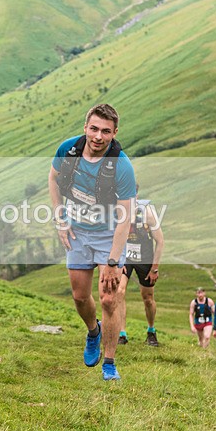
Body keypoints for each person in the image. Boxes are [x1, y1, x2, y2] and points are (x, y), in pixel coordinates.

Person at [48, 104, 136, 381]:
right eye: (94, 129)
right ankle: (93, 331)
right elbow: (53, 178)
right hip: (78, 233)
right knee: (79, 296)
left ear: (114, 133)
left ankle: (109, 362)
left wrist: (112, 261)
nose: (98, 136)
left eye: (106, 131)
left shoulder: (121, 165)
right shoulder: (68, 150)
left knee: (109, 298)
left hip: (108, 236)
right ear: (85, 127)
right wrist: (60, 218)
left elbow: (126, 218)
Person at [118, 185, 164, 347]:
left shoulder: (148, 213)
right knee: (119, 292)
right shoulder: (119, 211)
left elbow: (160, 241)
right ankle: (121, 333)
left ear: (136, 195)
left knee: (148, 298)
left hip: (145, 259)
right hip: (126, 259)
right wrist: (117, 259)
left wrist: (154, 268)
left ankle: (151, 331)